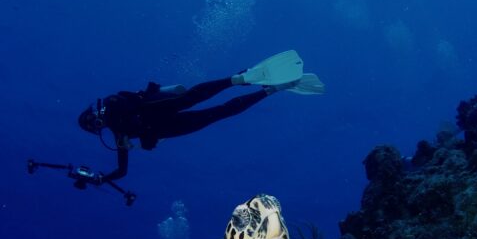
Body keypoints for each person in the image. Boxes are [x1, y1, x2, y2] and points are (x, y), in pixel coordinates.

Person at [76, 50, 324, 189]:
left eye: (92, 120)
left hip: (156, 110)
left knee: (194, 97)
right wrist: (101, 178)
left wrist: (134, 136)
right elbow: (122, 170)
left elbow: (131, 100)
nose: (97, 124)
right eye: (93, 127)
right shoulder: (118, 135)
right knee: (217, 113)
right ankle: (268, 90)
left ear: (93, 113)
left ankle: (238, 79)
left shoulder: (111, 105)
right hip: (167, 127)